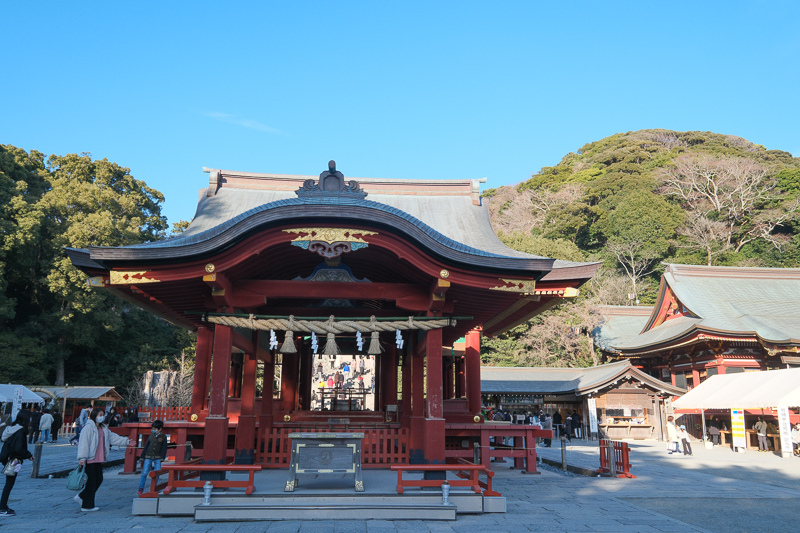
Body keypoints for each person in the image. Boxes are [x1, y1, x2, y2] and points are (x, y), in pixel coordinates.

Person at [76, 407, 130, 511]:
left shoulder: (103, 428)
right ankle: (87, 505)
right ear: (94, 416)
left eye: (102, 415)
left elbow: (113, 438)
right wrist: (82, 457)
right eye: (100, 415)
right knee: (91, 482)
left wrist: (126, 441)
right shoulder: (88, 428)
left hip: (99, 458)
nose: (102, 417)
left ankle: (82, 496)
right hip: (90, 458)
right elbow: (83, 443)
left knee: (98, 480)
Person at [0, 414, 34, 516]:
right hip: (13, 460)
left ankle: (3, 506)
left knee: (9, 483)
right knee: (9, 483)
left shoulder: (11, 429)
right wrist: (28, 455)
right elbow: (18, 448)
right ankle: (2, 508)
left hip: (6, 457)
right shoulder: (20, 432)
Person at [137, 420, 167, 495]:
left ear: (160, 429)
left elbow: (164, 448)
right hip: (148, 456)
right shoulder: (150, 436)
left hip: (157, 457)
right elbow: (146, 446)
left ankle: (153, 487)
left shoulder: (163, 437)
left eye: (155, 429)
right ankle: (141, 488)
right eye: (152, 429)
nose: (153, 430)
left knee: (157, 472)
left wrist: (162, 457)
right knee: (144, 472)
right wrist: (142, 456)